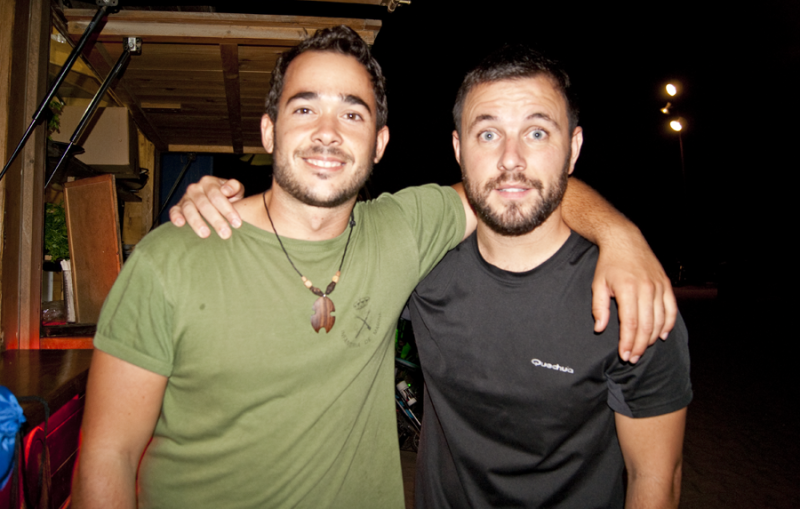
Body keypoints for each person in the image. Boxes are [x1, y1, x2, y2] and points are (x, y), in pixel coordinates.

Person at [73, 26, 673, 509]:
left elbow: (515, 183)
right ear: (269, 132)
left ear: (380, 143)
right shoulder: (171, 259)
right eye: (305, 109)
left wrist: (621, 235)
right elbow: (106, 457)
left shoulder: (400, 230)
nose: (327, 134)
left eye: (353, 114)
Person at [409, 45, 691, 508]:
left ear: (573, 149)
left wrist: (619, 233)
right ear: (459, 149)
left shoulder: (630, 298)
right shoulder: (420, 269)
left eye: (537, 133)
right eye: (488, 135)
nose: (511, 159)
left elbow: (655, 477)